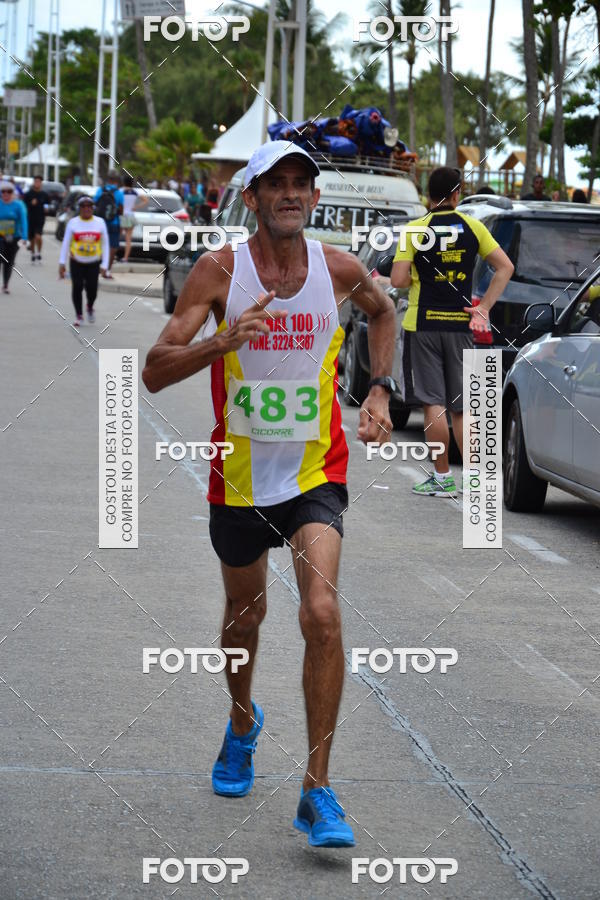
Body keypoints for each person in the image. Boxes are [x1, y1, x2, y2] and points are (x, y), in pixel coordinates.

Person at [142, 140, 395, 849]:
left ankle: (317, 790)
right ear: (250, 197)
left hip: (317, 471)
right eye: (275, 183)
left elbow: (383, 313)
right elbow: (156, 370)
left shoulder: (338, 268)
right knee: (244, 618)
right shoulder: (217, 270)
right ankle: (243, 721)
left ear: (315, 198)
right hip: (242, 477)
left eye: (301, 184)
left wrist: (378, 386)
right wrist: (220, 345)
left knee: (321, 613)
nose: (290, 193)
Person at [391, 165, 514, 497]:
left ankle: (442, 477)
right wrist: (484, 307)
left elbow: (398, 280)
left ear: (427, 195)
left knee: (433, 402)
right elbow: (505, 267)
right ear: (457, 194)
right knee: (462, 405)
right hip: (462, 324)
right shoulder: (474, 227)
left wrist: (418, 277)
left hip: (423, 323)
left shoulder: (415, 230)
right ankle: (475, 481)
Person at [59, 195, 109, 327]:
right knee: (77, 287)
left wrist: (105, 264)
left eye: (89, 206)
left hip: (93, 262)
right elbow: (65, 243)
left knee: (92, 289)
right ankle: (79, 315)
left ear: (93, 208)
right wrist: (62, 262)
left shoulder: (100, 222)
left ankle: (90, 306)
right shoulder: (73, 222)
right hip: (77, 261)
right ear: (79, 208)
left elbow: (105, 244)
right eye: (83, 206)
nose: (86, 209)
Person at [94, 171, 123, 276]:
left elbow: (95, 204)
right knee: (113, 247)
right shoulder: (119, 193)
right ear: (116, 181)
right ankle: (107, 270)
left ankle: (99, 266)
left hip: (100, 223)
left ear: (108, 179)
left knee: (99, 244)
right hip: (114, 222)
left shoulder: (100, 190)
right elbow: (121, 210)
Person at [0, 181, 28, 293]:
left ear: (12, 193)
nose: (6, 194)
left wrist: (25, 237)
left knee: (9, 262)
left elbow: (24, 221)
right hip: (1, 237)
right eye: (3, 191)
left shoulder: (18, 205)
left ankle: (6, 284)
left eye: (9, 191)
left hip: (14, 237)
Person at [119, 174, 147, 263]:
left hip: (122, 215)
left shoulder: (120, 191)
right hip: (131, 216)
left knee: (117, 237)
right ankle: (125, 258)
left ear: (123, 182)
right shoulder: (135, 192)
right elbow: (146, 200)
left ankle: (114, 255)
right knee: (128, 239)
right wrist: (136, 207)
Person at [24, 174, 50, 263]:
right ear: (34, 182)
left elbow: (47, 204)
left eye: (39, 182)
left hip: (40, 218)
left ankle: (38, 253)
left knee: (38, 236)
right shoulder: (28, 194)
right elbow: (23, 206)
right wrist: (31, 203)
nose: (37, 183)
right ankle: (33, 253)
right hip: (30, 218)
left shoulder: (44, 194)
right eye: (36, 181)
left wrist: (47, 208)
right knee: (32, 238)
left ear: (41, 183)